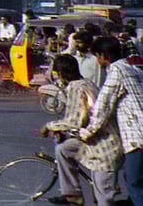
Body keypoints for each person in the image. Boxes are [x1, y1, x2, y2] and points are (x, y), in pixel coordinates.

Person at [44, 53, 122, 206]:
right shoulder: (87, 83)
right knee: (63, 149)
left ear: (60, 74)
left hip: (104, 148)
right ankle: (72, 194)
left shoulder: (76, 88)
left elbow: (74, 121)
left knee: (104, 199)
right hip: (93, 141)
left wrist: (49, 126)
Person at [79, 36, 143, 205]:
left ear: (103, 55)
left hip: (137, 137)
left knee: (134, 181)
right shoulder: (133, 68)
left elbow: (103, 106)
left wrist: (87, 132)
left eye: (97, 56)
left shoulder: (117, 71)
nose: (96, 60)